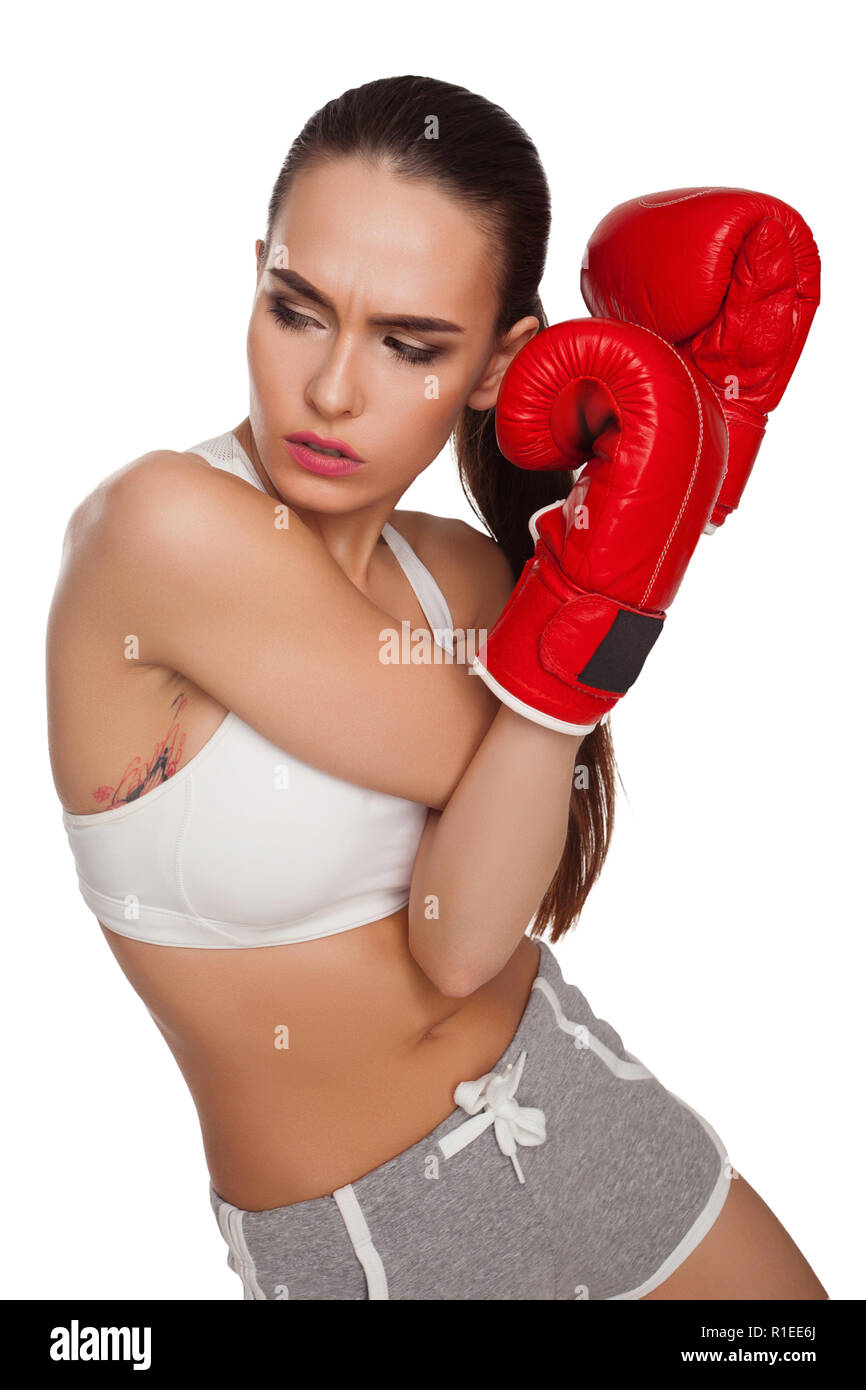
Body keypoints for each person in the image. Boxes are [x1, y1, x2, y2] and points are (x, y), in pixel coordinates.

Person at [46, 74, 827, 1300]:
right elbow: (492, 743)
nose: (333, 389)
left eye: (410, 343)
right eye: (296, 310)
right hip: (378, 1240)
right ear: (256, 273)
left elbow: (463, 943)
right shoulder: (162, 531)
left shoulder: (457, 571)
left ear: (497, 366)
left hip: (583, 1112)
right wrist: (638, 548)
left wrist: (603, 588)